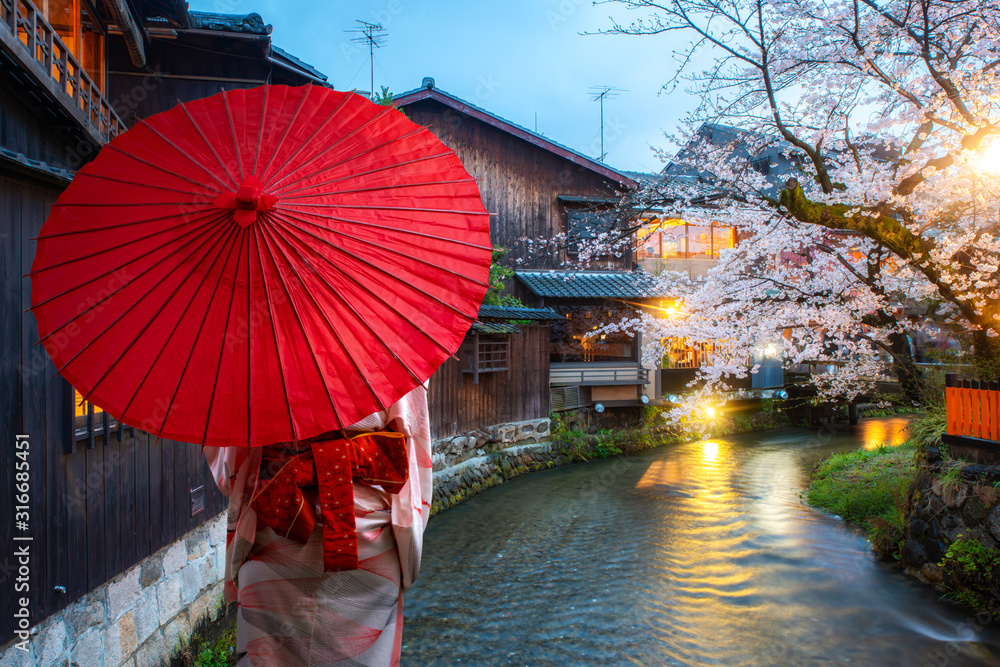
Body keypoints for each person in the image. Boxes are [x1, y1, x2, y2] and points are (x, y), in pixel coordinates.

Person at [202, 384, 433, 666]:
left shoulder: (254, 362)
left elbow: (231, 469)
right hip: (369, 543)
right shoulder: (387, 354)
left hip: (279, 528)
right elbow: (413, 452)